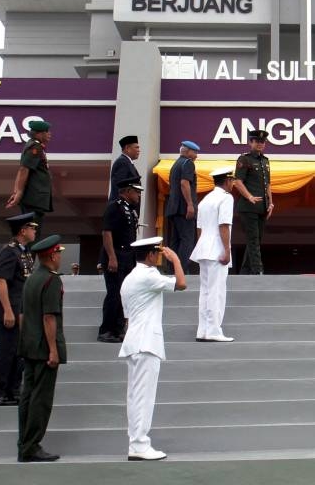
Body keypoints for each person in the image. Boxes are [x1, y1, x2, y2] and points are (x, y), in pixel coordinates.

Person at [119, 237, 187, 461]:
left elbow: (127, 318)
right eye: (157, 253)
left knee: (135, 396)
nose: (159, 256)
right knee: (143, 397)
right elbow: (181, 284)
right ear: (149, 255)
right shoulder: (149, 275)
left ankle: (135, 442)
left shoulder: (129, 278)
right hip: (146, 343)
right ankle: (139, 445)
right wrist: (176, 260)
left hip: (135, 342)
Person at [17, 235, 67, 462]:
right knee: (41, 399)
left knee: (28, 396)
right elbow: (49, 317)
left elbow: (23, 315)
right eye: (58, 253)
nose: (60, 258)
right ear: (52, 255)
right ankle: (32, 445)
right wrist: (53, 350)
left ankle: (24, 443)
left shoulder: (32, 279)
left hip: (29, 344)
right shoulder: (51, 280)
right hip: (44, 347)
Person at [0, 213, 38, 407]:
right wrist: (7, 310)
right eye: (32, 228)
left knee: (19, 353)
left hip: (23, 309)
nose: (35, 231)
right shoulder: (9, 251)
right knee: (7, 352)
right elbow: (1, 281)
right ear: (22, 230)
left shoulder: (24, 252)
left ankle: (13, 390)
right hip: (12, 307)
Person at [192, 166, 236, 342]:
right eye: (232, 180)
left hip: (204, 248)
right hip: (217, 249)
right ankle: (214, 331)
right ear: (227, 181)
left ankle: (203, 330)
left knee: (205, 292)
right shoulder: (226, 198)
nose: (233, 183)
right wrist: (227, 250)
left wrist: (202, 246)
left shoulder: (205, 200)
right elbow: (224, 225)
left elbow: (199, 228)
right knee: (217, 291)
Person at [99, 177, 142, 343]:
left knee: (124, 294)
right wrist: (111, 257)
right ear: (127, 191)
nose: (138, 194)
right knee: (114, 294)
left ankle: (118, 329)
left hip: (128, 257)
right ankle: (106, 330)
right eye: (136, 191)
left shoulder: (130, 209)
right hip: (116, 255)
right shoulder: (115, 207)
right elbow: (107, 232)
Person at [234, 130, 273, 275]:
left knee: (256, 240)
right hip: (248, 207)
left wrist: (271, 203)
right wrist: (249, 196)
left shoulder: (265, 161)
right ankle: (258, 271)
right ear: (250, 142)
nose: (260, 144)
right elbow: (237, 182)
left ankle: (245, 271)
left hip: (262, 207)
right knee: (254, 240)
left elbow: (268, 184)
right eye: (256, 141)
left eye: (262, 142)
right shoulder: (244, 159)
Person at [6, 119, 53, 223]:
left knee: (33, 229)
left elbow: (23, 169)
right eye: (47, 131)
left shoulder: (36, 145)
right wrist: (18, 192)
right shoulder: (34, 147)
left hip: (35, 198)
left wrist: (17, 191)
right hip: (33, 198)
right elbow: (24, 169)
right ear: (39, 134)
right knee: (32, 230)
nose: (49, 134)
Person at [164, 140, 200, 272]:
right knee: (187, 240)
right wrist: (190, 205)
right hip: (184, 209)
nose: (196, 155)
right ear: (187, 152)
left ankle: (173, 269)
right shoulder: (188, 163)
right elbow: (184, 184)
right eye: (194, 152)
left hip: (173, 208)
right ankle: (183, 270)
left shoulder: (175, 164)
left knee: (176, 240)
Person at [108, 135, 141, 202]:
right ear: (127, 148)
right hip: (121, 208)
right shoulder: (122, 162)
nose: (139, 150)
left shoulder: (127, 162)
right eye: (136, 147)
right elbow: (120, 188)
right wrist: (123, 208)